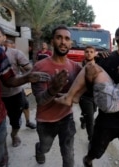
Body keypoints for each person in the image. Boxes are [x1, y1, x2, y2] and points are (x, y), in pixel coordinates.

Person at [82, 23, 119, 167]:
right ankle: (88, 159)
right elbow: (91, 89)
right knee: (95, 152)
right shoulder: (105, 59)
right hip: (106, 120)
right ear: (116, 38)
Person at [0, 24, 50, 167]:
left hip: (13, 94)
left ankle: (14, 135)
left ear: (4, 38)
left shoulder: (14, 54)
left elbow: (29, 70)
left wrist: (25, 78)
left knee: (15, 121)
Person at [55, 45, 119, 116]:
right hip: (115, 98)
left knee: (90, 66)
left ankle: (69, 97)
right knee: (92, 69)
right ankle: (75, 96)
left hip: (114, 98)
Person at [31, 25, 81, 167]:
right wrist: (53, 89)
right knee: (45, 147)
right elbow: (40, 100)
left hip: (67, 117)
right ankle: (39, 149)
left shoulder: (75, 67)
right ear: (52, 41)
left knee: (68, 155)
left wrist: (101, 60)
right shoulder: (40, 67)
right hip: (46, 120)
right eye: (59, 37)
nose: (63, 42)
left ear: (70, 43)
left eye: (67, 39)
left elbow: (90, 80)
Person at [0, 40, 36, 148]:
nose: (11, 47)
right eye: (9, 45)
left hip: (19, 90)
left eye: (11, 45)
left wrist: (22, 80)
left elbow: (29, 70)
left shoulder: (15, 54)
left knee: (25, 104)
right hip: (3, 94)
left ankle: (26, 123)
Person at [78, 46, 98, 142]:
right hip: (84, 97)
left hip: (96, 96)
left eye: (91, 51)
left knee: (92, 112)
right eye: (87, 51)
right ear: (84, 53)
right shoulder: (80, 66)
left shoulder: (99, 65)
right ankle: (91, 140)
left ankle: (83, 120)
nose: (89, 53)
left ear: (95, 53)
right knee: (91, 120)